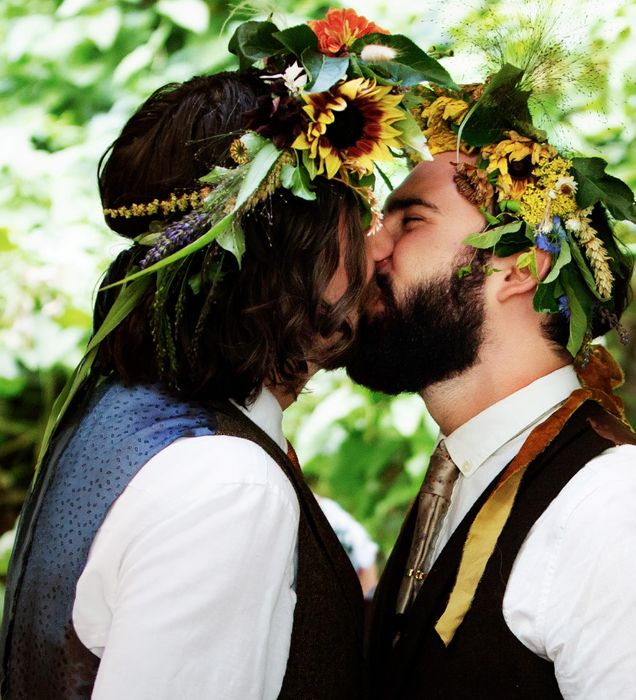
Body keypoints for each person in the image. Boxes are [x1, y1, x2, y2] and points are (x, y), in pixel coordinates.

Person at [0, 9, 454, 698]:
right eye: (354, 221)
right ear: (282, 258)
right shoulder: (227, 486)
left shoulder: (121, 415)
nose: (377, 249)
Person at [346, 65, 636, 698]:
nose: (371, 249)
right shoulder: (461, 474)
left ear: (520, 268)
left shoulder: (619, 504)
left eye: (409, 221)